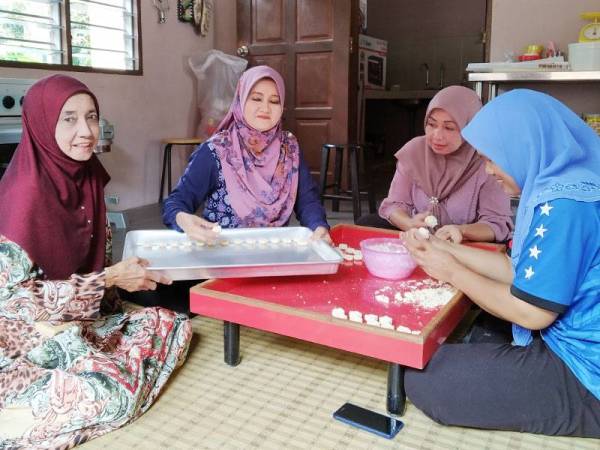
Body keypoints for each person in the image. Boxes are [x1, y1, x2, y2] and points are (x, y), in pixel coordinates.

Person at [0, 74, 192, 448]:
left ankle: (106, 375)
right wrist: (108, 279)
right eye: (69, 119)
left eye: (92, 116)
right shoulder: (24, 195)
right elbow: (14, 304)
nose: (86, 131)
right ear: (41, 124)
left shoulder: (86, 177)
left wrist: (122, 278)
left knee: (173, 325)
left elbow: (98, 276)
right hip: (20, 337)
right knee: (109, 395)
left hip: (79, 321)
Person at [403, 89, 600, 437]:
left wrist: (451, 271)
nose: (489, 170)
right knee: (469, 334)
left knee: (427, 377)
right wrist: (443, 249)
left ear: (523, 146)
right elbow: (517, 270)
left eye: (493, 158)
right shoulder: (554, 184)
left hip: (585, 368)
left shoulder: (566, 205)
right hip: (558, 332)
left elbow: (533, 311)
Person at [162, 65, 331, 244]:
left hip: (274, 255)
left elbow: (307, 201)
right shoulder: (217, 151)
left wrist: (319, 226)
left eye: (274, 101)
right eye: (257, 98)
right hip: (223, 257)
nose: (265, 108)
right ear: (240, 100)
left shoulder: (289, 149)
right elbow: (176, 203)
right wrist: (183, 219)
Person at [358, 85, 513, 243]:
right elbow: (394, 205)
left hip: (463, 243)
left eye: (449, 128)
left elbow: (496, 224)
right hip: (419, 237)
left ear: (470, 127)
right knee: (368, 223)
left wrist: (461, 231)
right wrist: (410, 224)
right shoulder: (414, 152)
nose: (437, 136)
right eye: (431, 124)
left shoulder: (486, 161)